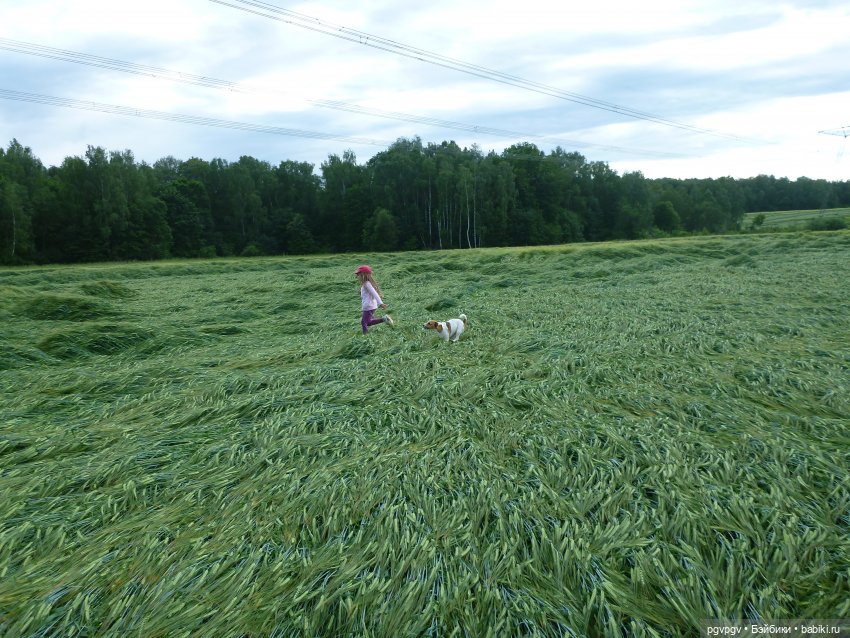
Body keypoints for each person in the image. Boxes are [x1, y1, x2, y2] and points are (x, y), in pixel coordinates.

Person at [354, 265, 394, 333]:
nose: (358, 276)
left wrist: (381, 303)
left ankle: (365, 336)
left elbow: (374, 293)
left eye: (359, 274)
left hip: (368, 306)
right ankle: (384, 319)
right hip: (370, 305)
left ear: (364, 275)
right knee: (368, 322)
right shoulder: (366, 284)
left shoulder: (367, 284)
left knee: (364, 323)